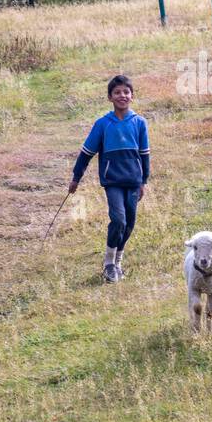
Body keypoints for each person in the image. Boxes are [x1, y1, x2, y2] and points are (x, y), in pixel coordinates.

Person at [69, 75, 150, 282]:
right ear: (109, 97)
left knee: (129, 223)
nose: (122, 95)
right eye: (117, 92)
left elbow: (144, 154)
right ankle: (108, 264)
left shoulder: (139, 123)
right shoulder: (102, 124)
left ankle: (118, 262)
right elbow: (86, 153)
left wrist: (144, 181)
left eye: (126, 92)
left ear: (132, 96)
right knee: (118, 219)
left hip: (133, 181)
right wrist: (76, 178)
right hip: (112, 181)